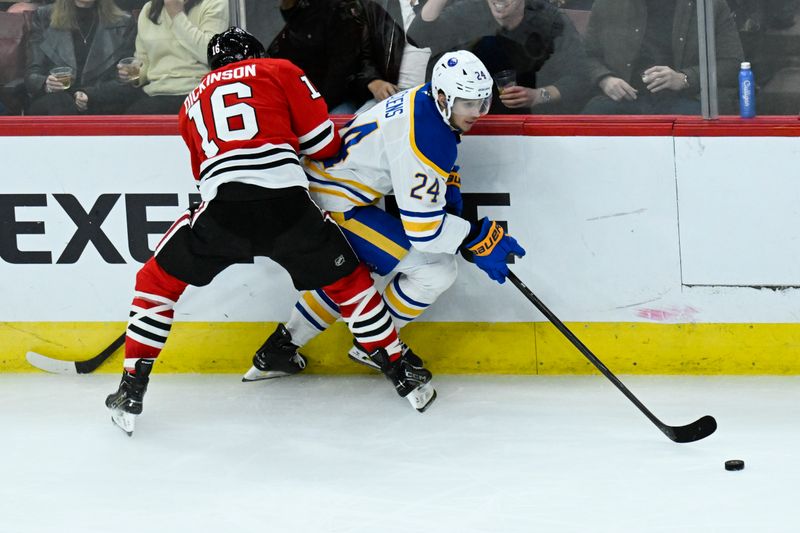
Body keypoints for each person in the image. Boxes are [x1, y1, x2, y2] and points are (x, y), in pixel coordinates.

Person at [105, 27, 436, 436]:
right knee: (350, 283)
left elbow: (204, 173)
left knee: (154, 282)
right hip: (288, 207)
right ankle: (402, 372)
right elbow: (325, 145)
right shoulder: (277, 69)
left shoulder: (190, 101)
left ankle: (131, 389)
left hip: (224, 210)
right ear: (255, 53)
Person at [242, 50, 526, 382]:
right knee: (436, 270)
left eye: (482, 102)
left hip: (324, 191)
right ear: (444, 97)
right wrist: (476, 236)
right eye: (467, 103)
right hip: (334, 203)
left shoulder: (425, 98)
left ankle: (280, 349)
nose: (476, 112)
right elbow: (425, 230)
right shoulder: (427, 135)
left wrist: (444, 181)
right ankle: (374, 345)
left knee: (350, 274)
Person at [406, 0, 592, 114]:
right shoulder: (469, 11)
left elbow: (580, 76)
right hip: (472, 119)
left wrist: (539, 95)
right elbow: (418, 37)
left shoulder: (549, 18)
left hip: (533, 120)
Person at [581, 0, 744, 115]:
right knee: (591, 119)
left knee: (701, 121)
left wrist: (684, 78)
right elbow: (585, 57)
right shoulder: (606, 4)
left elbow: (733, 64)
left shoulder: (710, 5)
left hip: (688, 101)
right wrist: (605, 79)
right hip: (623, 101)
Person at [24, 0, 137, 115]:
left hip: (100, 100)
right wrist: (47, 84)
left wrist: (89, 95)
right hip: (55, 101)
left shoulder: (124, 22)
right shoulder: (44, 16)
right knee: (60, 103)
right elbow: (32, 74)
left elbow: (126, 80)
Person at [121, 0, 229, 114]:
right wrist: (133, 73)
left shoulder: (214, 3)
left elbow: (210, 54)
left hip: (198, 91)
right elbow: (144, 62)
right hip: (156, 92)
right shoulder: (149, 9)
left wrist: (177, 16)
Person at [267, 0, 364, 113]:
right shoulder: (289, 32)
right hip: (307, 103)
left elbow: (341, 69)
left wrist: (317, 107)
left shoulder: (333, 12)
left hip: (335, 102)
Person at [351, 0, 431, 113]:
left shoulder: (449, 5)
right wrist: (373, 81)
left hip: (436, 94)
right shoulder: (376, 5)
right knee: (354, 128)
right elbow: (360, 56)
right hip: (391, 94)